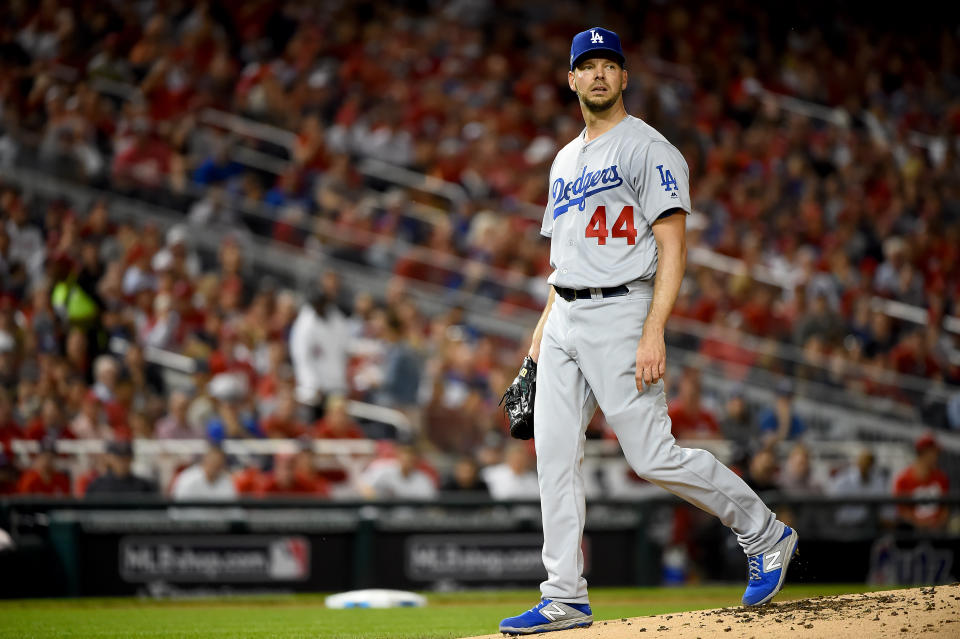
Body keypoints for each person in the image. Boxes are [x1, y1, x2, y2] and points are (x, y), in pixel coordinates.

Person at [498, 28, 797, 636]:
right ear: (572, 79)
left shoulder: (650, 148)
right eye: (589, 65)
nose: (599, 74)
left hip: (622, 312)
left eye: (610, 64)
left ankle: (766, 533)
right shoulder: (562, 159)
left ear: (625, 78)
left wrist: (653, 329)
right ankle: (563, 597)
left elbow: (673, 247)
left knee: (652, 455)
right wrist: (539, 334)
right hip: (564, 319)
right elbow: (565, 262)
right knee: (552, 459)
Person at [892, 434, 950, 530]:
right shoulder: (903, 479)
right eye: (934, 452)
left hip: (937, 533)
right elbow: (902, 511)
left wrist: (936, 524)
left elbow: (945, 509)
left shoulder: (941, 477)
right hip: (912, 533)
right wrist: (920, 524)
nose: (937, 457)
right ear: (924, 452)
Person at [85, 440, 156, 496]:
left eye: (126, 459)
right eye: (118, 458)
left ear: (131, 459)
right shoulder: (97, 486)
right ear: (109, 458)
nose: (122, 463)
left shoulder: (143, 486)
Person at [170, 444, 237, 501]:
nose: (215, 466)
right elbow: (178, 509)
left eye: (219, 463)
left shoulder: (226, 481)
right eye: (213, 461)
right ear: (205, 460)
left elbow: (234, 510)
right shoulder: (188, 478)